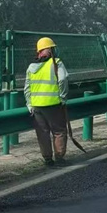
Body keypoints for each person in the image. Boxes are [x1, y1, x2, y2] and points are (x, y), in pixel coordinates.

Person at [25, 37, 69, 166]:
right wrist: (62, 97)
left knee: (42, 134)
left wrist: (29, 104)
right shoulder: (56, 63)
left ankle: (47, 159)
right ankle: (60, 158)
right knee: (59, 131)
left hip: (37, 106)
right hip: (54, 104)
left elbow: (27, 88)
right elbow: (63, 79)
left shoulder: (31, 67)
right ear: (50, 50)